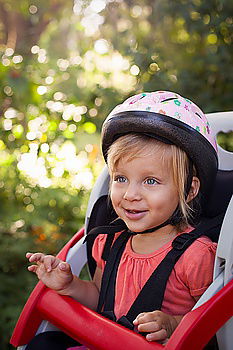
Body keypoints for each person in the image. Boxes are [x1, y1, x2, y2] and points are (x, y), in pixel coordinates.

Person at [25, 91, 218, 349]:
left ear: (189, 190)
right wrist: (70, 285)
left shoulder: (197, 258)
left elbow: (216, 329)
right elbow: (101, 298)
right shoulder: (109, 241)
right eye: (121, 178)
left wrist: (173, 324)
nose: (130, 195)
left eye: (150, 181)